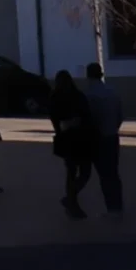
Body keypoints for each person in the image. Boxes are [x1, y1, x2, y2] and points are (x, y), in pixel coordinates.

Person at [51, 70, 94, 218]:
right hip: (81, 139)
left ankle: (71, 200)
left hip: (65, 140)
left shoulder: (54, 98)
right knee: (85, 171)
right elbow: (87, 116)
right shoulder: (78, 96)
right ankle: (71, 199)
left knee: (70, 171)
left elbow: (54, 120)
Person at [84, 62, 126, 213]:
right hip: (112, 136)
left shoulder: (88, 95)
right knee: (113, 172)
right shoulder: (112, 91)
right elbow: (120, 116)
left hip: (97, 139)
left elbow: (88, 119)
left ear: (88, 75)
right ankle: (118, 204)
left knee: (104, 174)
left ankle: (111, 206)